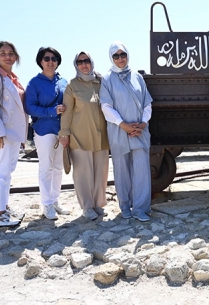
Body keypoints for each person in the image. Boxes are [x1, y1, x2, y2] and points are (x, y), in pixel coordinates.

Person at [100, 41, 153, 222]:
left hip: (139, 131)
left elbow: (147, 103)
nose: (120, 59)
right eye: (116, 56)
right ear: (111, 58)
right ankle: (125, 206)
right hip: (119, 131)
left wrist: (143, 124)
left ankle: (141, 209)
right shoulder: (107, 79)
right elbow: (106, 106)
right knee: (122, 170)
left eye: (123, 55)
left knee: (141, 171)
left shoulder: (137, 77)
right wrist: (123, 125)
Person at [59, 52, 110, 221]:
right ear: (76, 65)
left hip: (101, 135)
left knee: (101, 172)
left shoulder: (101, 82)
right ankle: (87, 206)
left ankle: (98, 204)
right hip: (79, 136)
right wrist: (64, 133)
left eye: (86, 60)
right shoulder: (72, 86)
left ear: (91, 62)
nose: (84, 64)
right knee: (83, 173)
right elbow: (66, 112)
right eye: (79, 62)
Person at [0, 41, 28, 227]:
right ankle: (0, 215)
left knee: (7, 172)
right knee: (1, 172)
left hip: (14, 133)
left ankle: (4, 207)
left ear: (16, 57)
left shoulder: (12, 78)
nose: (7, 56)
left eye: (11, 53)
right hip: (2, 133)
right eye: (3, 53)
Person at [25, 47, 69, 220]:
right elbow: (30, 107)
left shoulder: (64, 81)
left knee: (58, 167)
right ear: (40, 61)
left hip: (62, 130)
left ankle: (55, 201)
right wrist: (52, 111)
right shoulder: (34, 83)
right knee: (46, 168)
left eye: (54, 58)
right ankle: (47, 204)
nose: (50, 61)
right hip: (43, 130)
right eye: (46, 58)